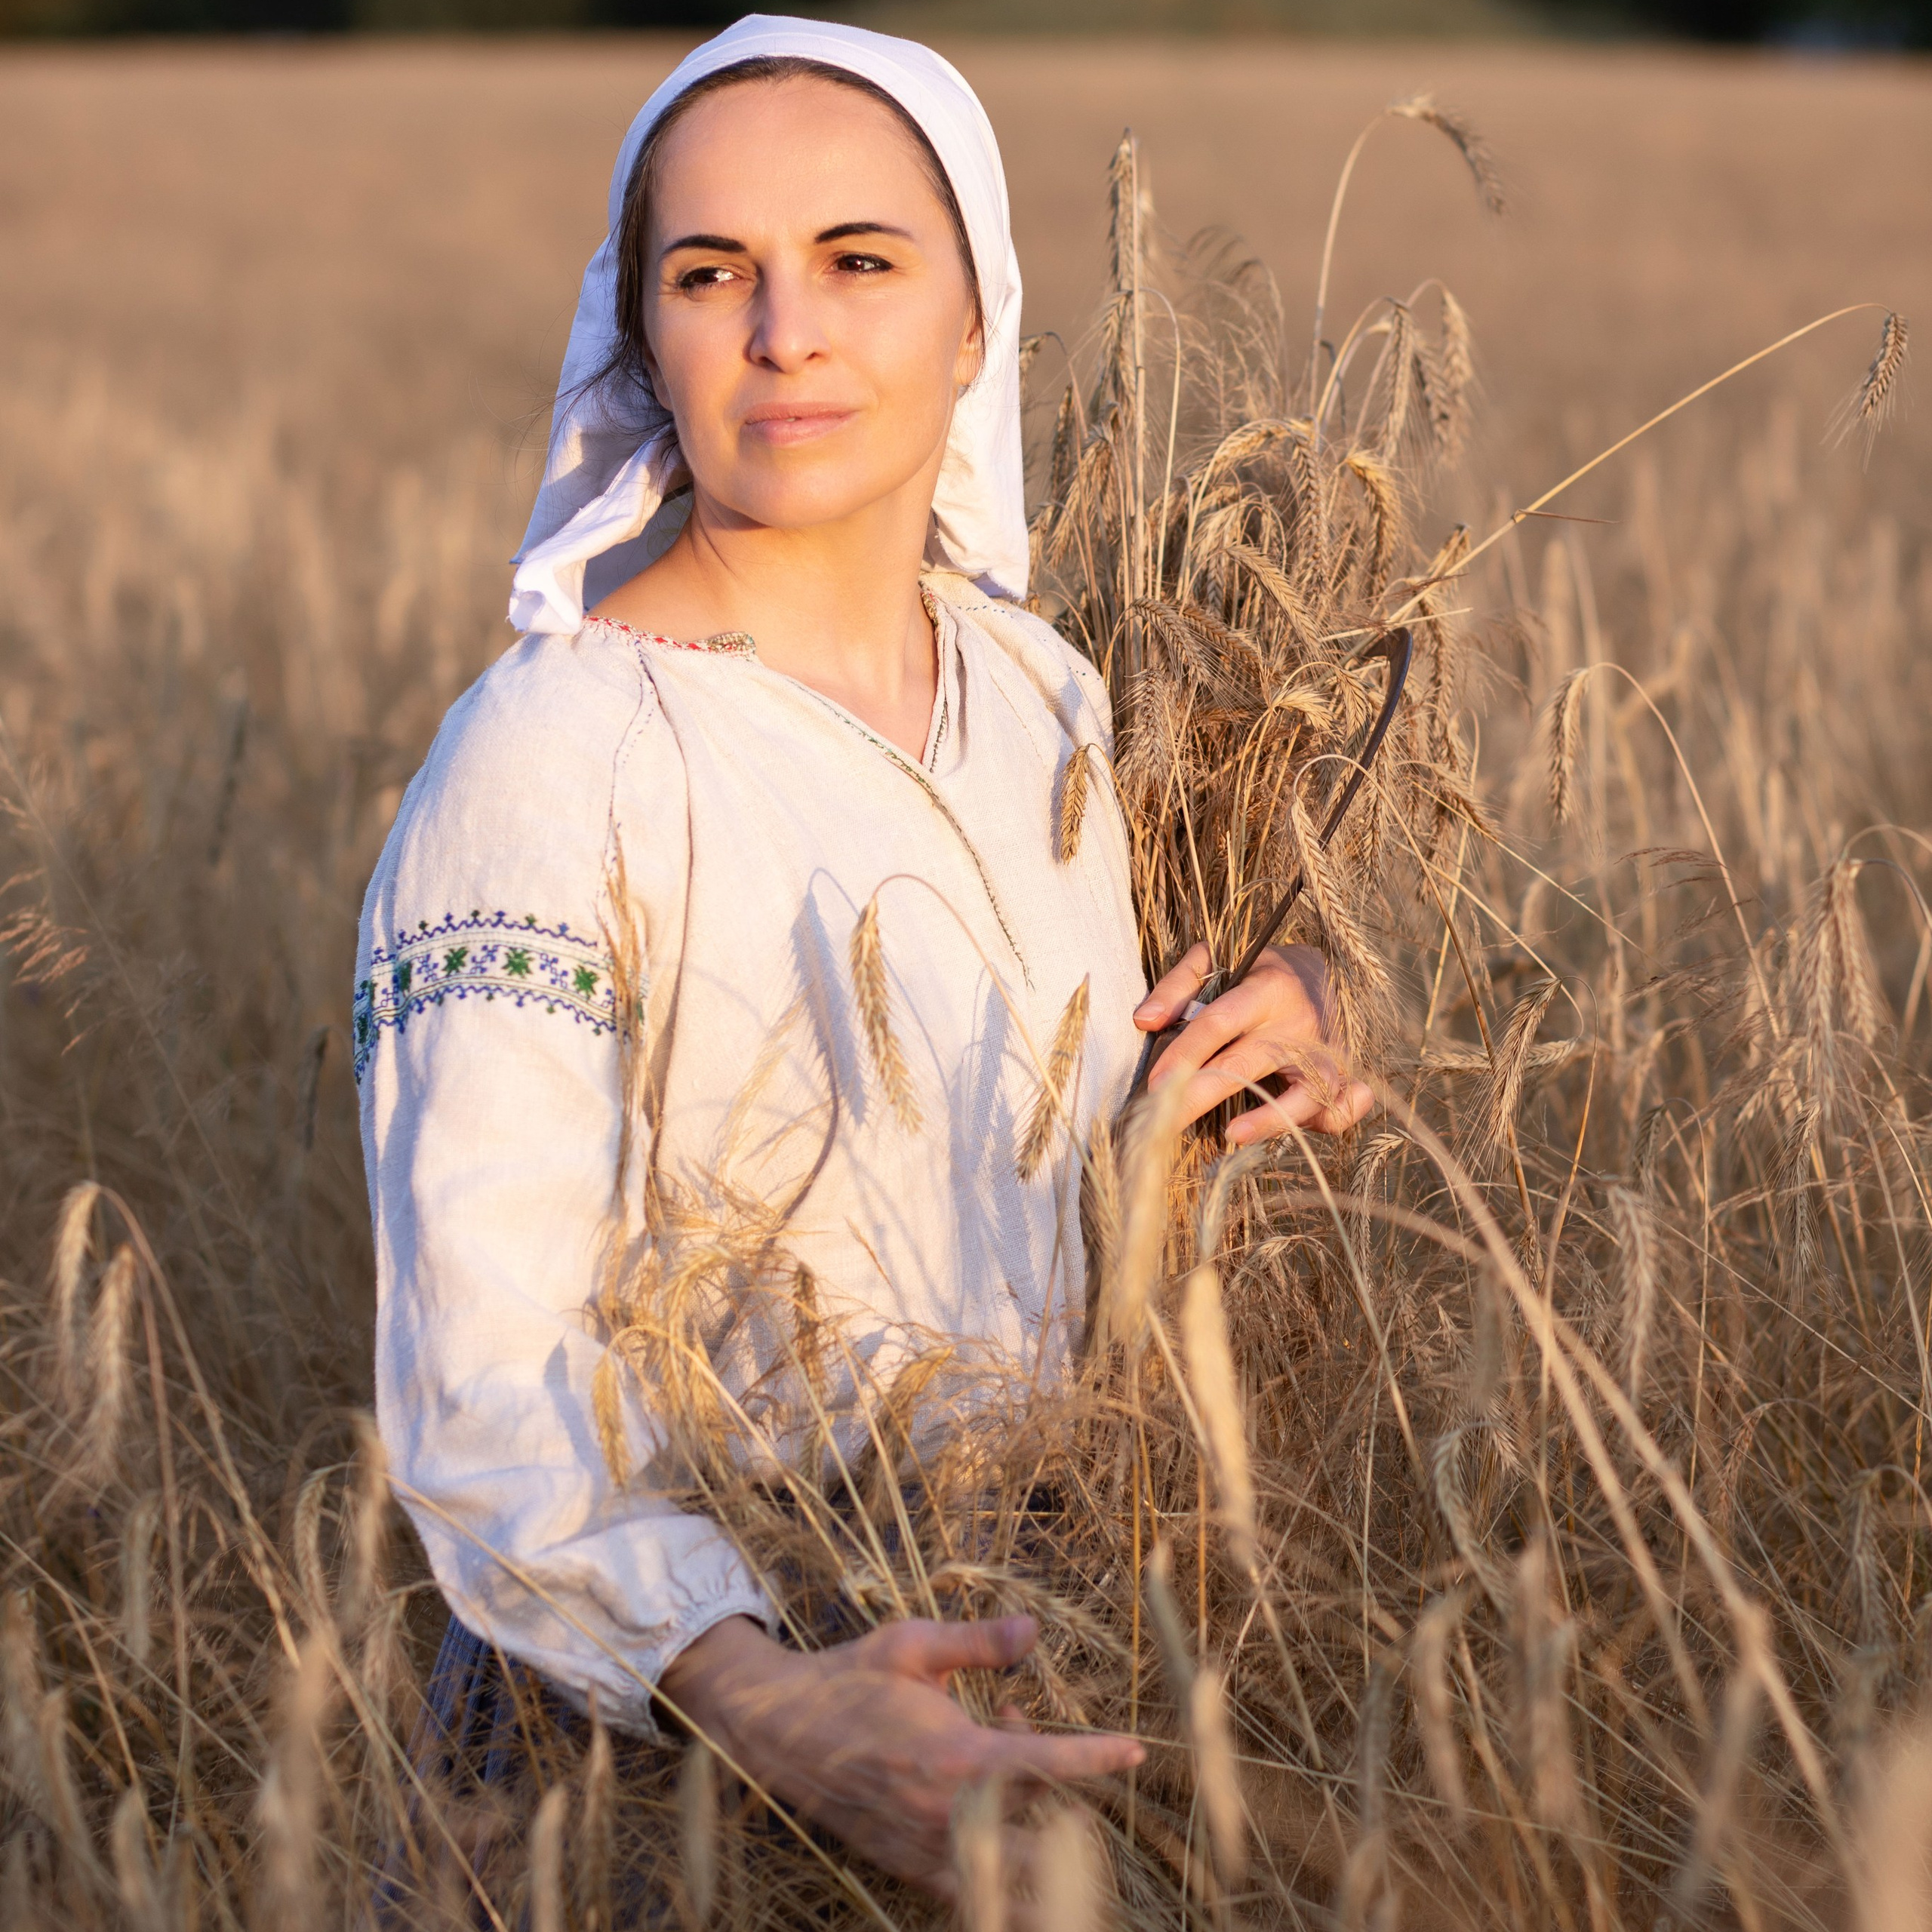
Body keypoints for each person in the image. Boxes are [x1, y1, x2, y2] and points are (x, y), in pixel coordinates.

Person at [355, 13, 1371, 1903]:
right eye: (709, 271)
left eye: (859, 261)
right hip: (657, 1737)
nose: (784, 331)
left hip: (1029, 1644)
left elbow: (1111, 1068)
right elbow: (484, 1389)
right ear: (641, 332)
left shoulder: (1039, 696)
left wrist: (1299, 996)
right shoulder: (550, 759)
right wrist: (771, 1700)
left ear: (974, 318)